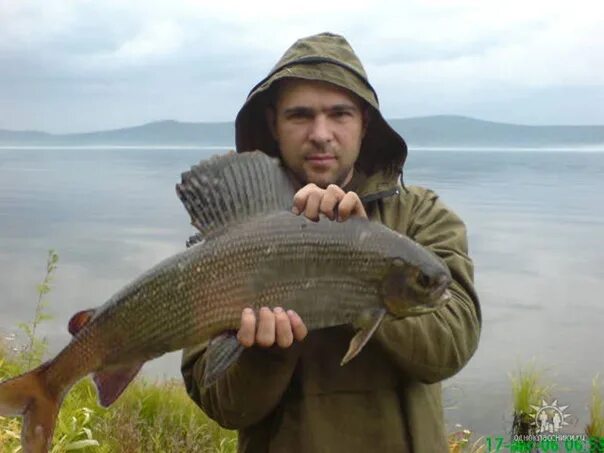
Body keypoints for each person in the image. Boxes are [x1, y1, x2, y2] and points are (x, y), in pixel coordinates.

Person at [181, 32, 481, 453]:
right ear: (272, 123)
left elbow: (452, 345)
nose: (321, 134)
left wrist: (363, 266)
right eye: (300, 115)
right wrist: (265, 354)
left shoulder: (421, 215)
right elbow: (219, 403)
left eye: (339, 114)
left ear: (364, 122)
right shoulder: (234, 232)